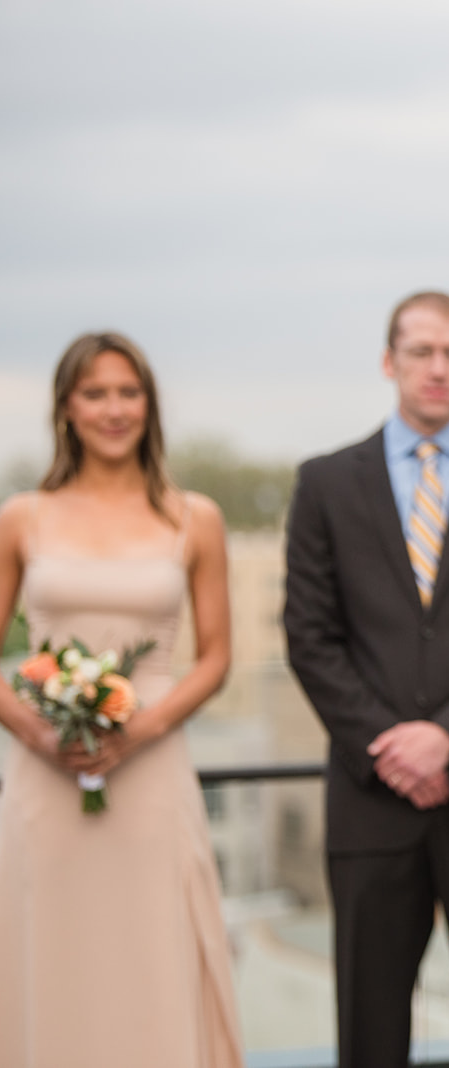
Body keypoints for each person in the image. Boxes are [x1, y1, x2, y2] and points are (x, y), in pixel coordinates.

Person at [283, 292, 449, 1068]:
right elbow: (310, 636)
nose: (437, 368)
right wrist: (388, 747)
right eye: (421, 351)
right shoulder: (326, 482)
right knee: (369, 1030)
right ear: (389, 361)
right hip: (372, 801)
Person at [0, 332, 242, 1067]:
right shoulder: (22, 517)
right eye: (95, 393)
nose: (114, 409)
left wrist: (140, 729)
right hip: (46, 779)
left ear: (149, 406)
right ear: (67, 409)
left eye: (127, 393)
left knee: (150, 947)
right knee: (51, 950)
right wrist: (40, 735)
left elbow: (218, 656)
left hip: (153, 774)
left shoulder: (192, 517)